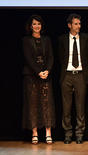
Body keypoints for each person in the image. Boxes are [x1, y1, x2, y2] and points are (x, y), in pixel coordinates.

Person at [58, 13, 88, 144]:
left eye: (79, 24)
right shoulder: (62, 39)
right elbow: (60, 58)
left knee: (80, 107)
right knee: (66, 107)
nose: (78, 26)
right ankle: (67, 134)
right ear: (69, 25)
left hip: (80, 76)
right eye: (76, 24)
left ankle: (79, 134)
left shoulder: (86, 38)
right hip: (66, 75)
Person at [22, 15, 55, 144]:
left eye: (39, 24)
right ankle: (34, 133)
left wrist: (47, 70)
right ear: (30, 26)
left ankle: (48, 133)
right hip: (31, 75)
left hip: (46, 75)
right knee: (33, 104)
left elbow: (51, 57)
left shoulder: (47, 39)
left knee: (47, 103)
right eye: (34, 24)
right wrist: (38, 72)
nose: (37, 26)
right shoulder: (26, 40)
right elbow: (28, 58)